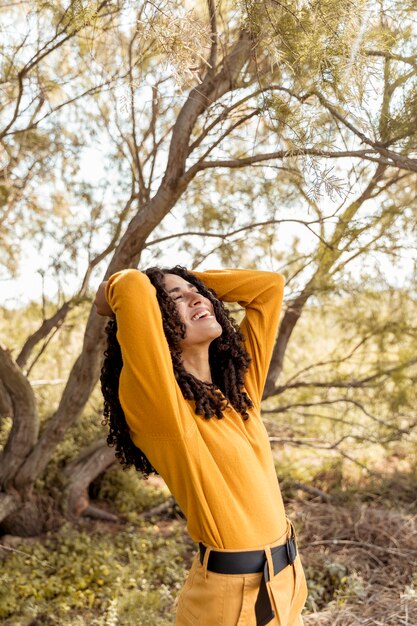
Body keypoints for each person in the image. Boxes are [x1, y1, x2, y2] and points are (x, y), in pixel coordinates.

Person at [94, 266, 307, 626]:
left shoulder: (238, 393)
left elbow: (268, 288)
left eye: (199, 292)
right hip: (232, 600)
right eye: (174, 298)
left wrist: (186, 281)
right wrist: (112, 294)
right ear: (154, 319)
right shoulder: (162, 407)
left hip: (285, 582)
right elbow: (131, 286)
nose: (197, 297)